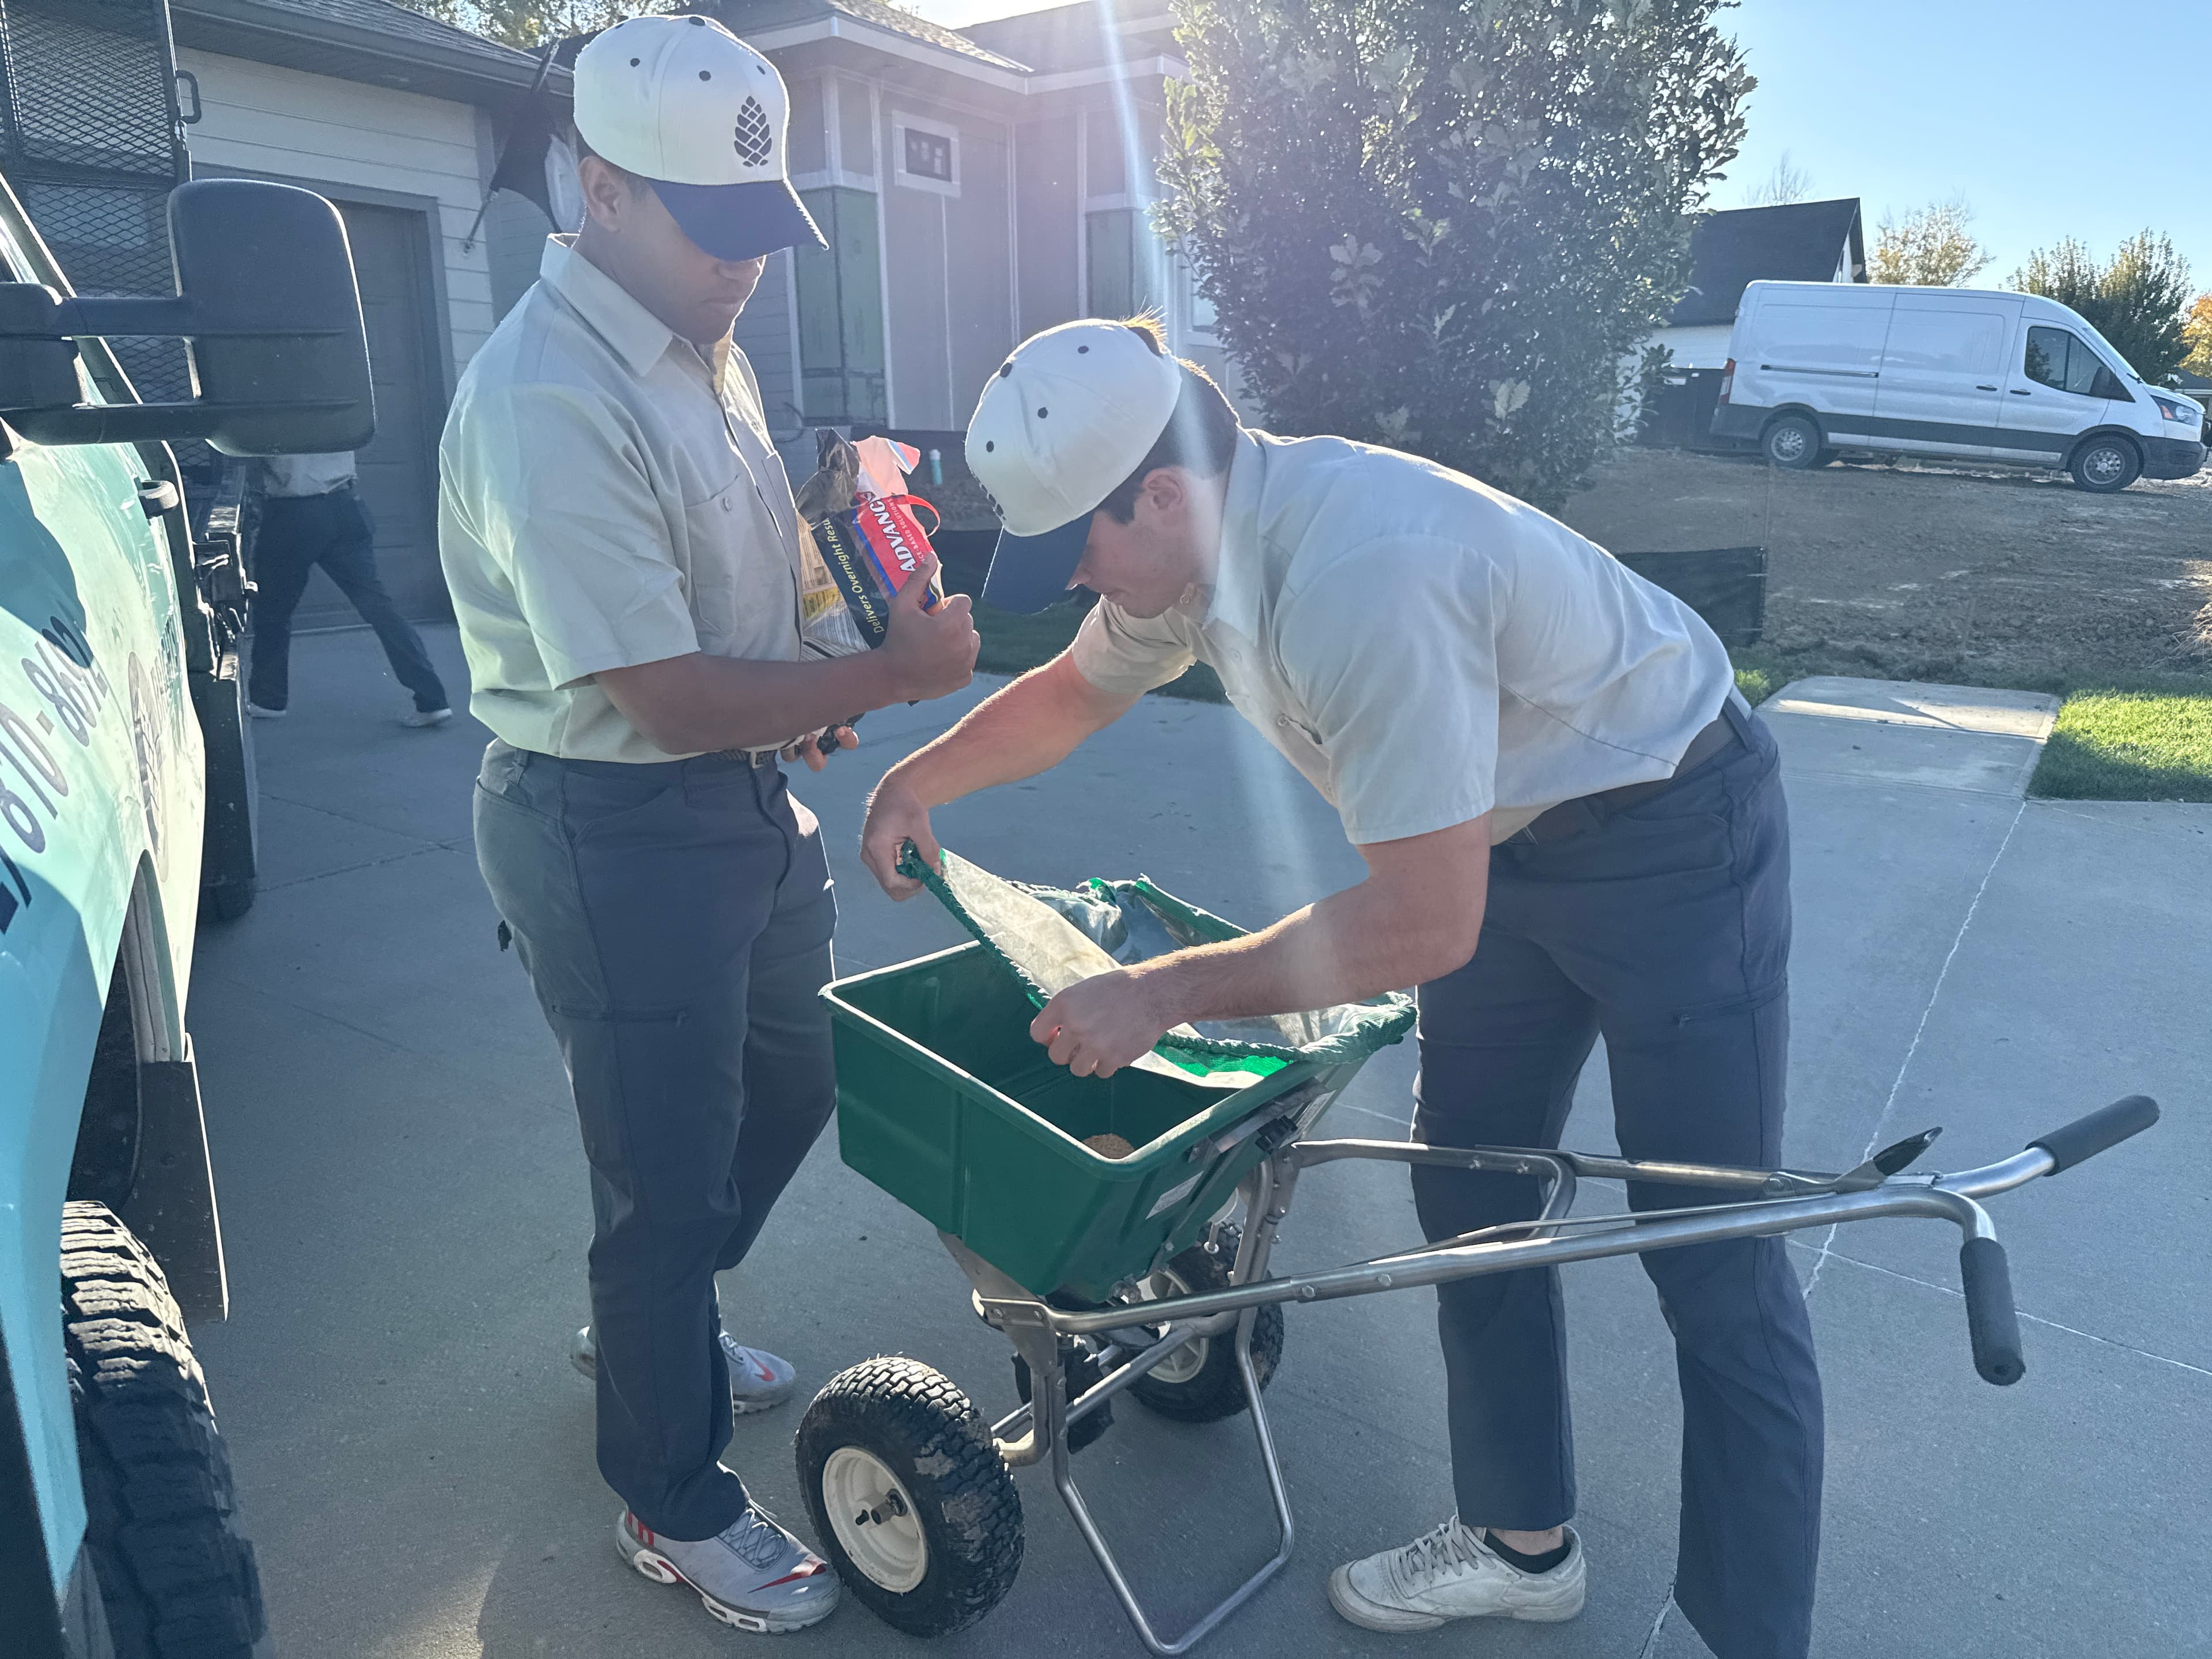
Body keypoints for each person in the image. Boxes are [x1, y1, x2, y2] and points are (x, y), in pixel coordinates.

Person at [858, 319, 1821, 1659]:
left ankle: (1749, 1633)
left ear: (1167, 492)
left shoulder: (1356, 574)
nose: (1075, 575)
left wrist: (1160, 992)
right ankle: (1517, 1541)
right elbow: (1074, 694)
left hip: (1671, 827)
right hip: (1496, 839)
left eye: (1079, 540)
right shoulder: (1181, 563)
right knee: (1470, 1189)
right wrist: (920, 778)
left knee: (1709, 1250)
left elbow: (1424, 922)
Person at [437, 13, 978, 1636]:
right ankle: (667, 1493)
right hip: (614, 821)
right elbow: (660, 692)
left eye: (764, 230)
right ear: (601, 188)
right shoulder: (554, 390)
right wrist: (893, 670)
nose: (748, 265)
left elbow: (729, 603)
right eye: (712, 226)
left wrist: (835, 574)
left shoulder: (706, 347)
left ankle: (653, 1320)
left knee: (794, 1076)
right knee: (661, 1186)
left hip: (740, 803)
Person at [245, 450, 452, 725]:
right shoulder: (342, 408)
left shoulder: (277, 408)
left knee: (273, 612)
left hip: (291, 512)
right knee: (380, 608)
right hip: (345, 504)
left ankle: (268, 699)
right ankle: (432, 699)